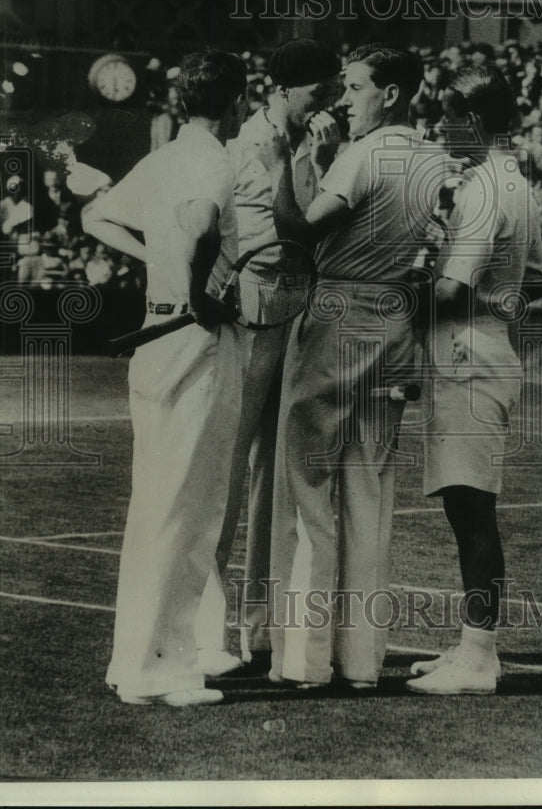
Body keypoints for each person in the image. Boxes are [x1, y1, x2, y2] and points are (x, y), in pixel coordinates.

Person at [263, 44, 436, 690]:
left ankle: (304, 661)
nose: (345, 98)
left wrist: (288, 155)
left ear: (390, 94)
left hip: (339, 314)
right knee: (370, 493)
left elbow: (297, 229)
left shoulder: (365, 153)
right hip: (394, 322)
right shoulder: (430, 155)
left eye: (358, 87)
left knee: (308, 485)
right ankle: (361, 661)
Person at [82, 47, 248, 706]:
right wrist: (206, 290)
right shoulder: (215, 159)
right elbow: (203, 223)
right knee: (191, 509)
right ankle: (168, 670)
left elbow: (94, 216)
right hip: (196, 337)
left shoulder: (165, 157)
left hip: (156, 337)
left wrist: (160, 256)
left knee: (154, 506)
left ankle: (134, 665)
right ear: (233, 101)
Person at [196, 38, 342, 675]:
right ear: (284, 90)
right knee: (228, 466)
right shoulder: (240, 147)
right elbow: (215, 230)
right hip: (250, 306)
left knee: (273, 473)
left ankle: (256, 627)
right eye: (318, 89)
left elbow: (316, 226)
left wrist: (321, 156)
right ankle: (207, 627)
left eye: (334, 87)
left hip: (298, 308)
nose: (329, 99)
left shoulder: (317, 142)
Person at [406, 65, 542, 696]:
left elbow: (447, 291)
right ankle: (471, 644)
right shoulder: (517, 183)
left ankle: (481, 659)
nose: (440, 127)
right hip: (486, 352)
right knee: (469, 511)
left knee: (472, 513)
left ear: (473, 121)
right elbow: (536, 282)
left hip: (466, 359)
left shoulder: (483, 190)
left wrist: (402, 284)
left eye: (448, 116)